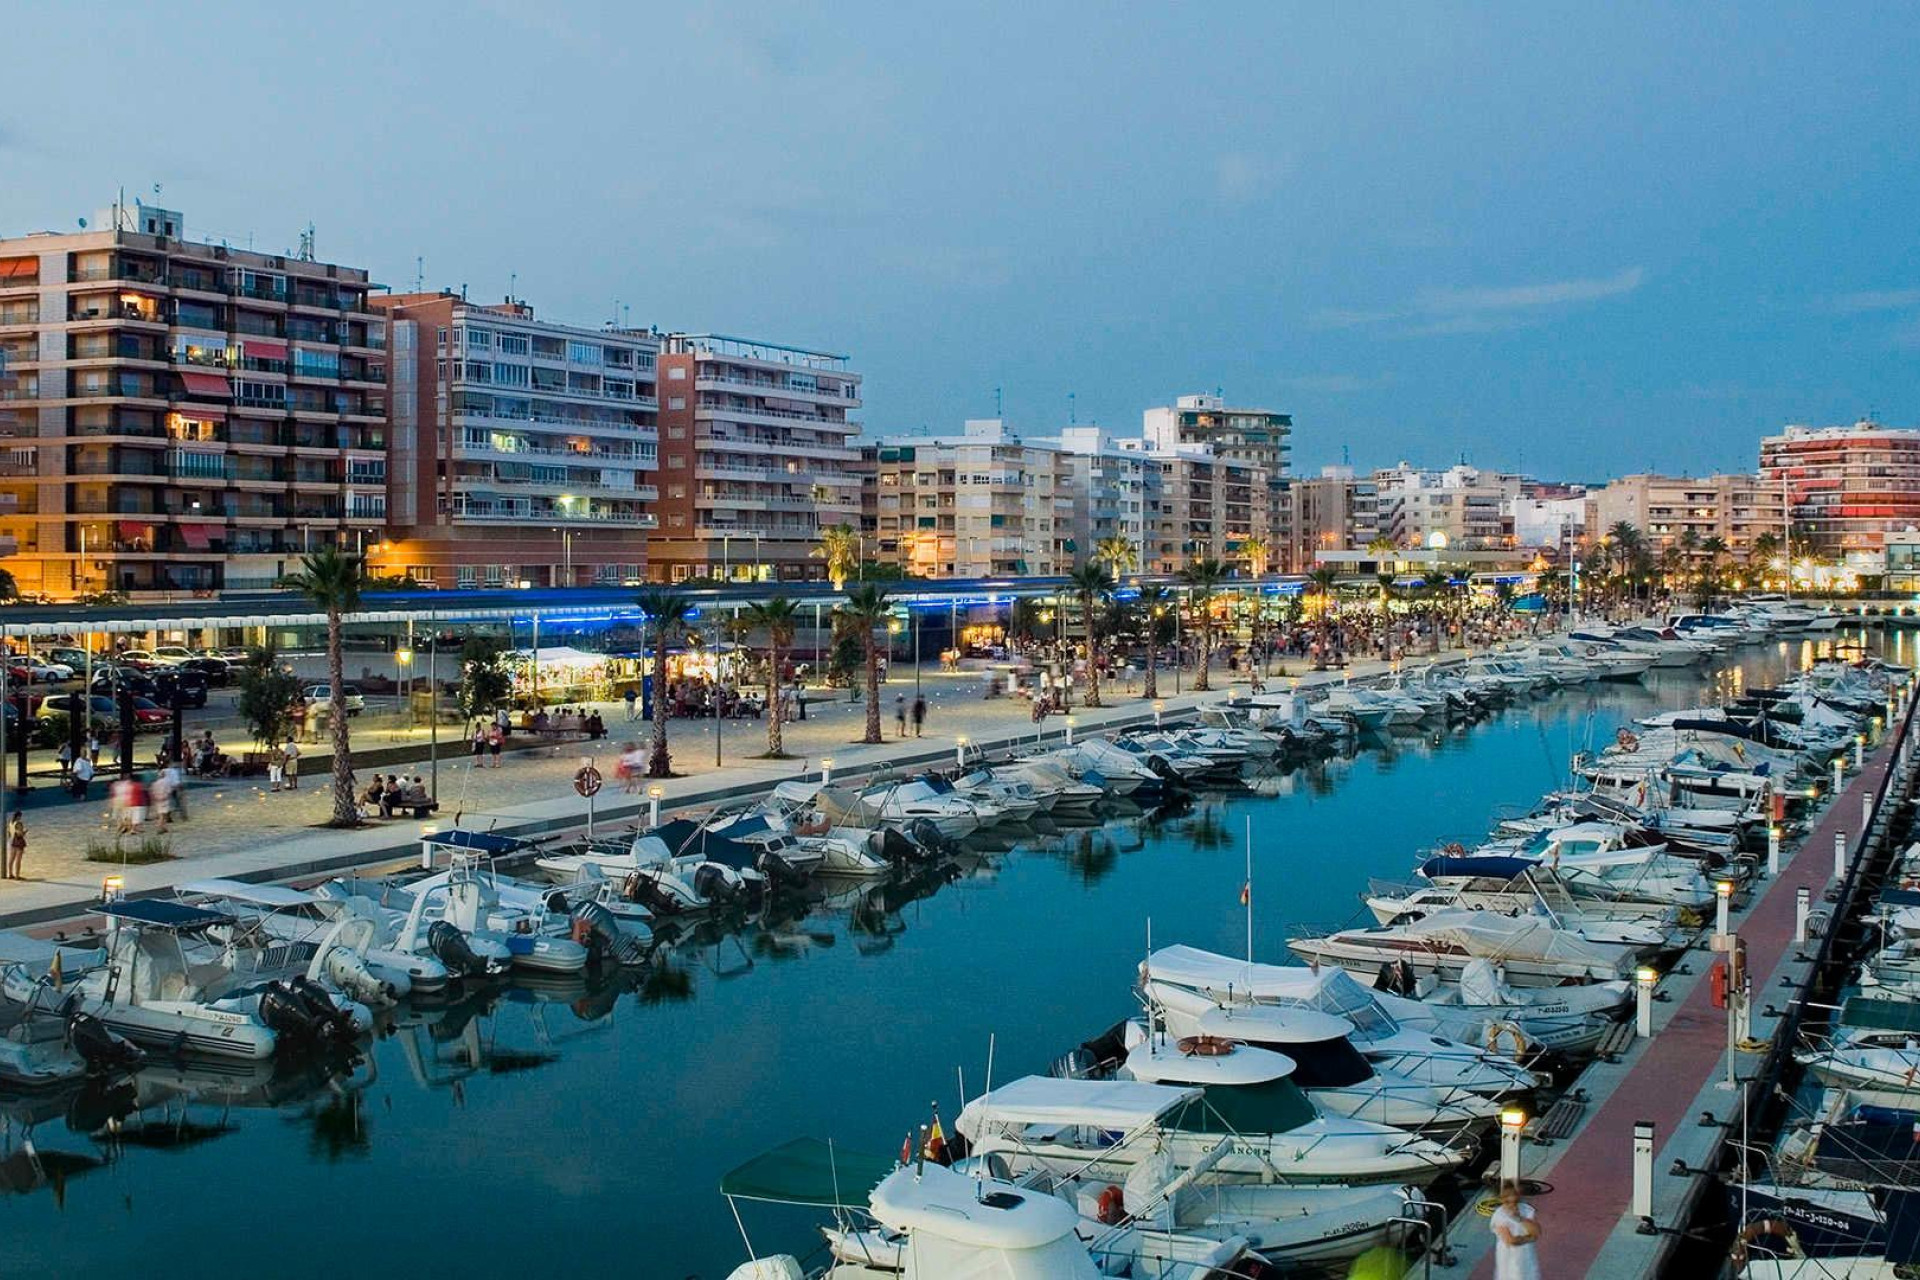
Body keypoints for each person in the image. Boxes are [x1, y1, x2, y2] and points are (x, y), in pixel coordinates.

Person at [1489, 1180, 1542, 1280]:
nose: (1512, 1205)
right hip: (1509, 1258)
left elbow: (1537, 1231)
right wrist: (1530, 1238)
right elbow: (1511, 1241)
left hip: (1527, 1256)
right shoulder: (1499, 1216)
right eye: (1508, 1202)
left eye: (1515, 1201)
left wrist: (1520, 1218)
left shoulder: (1526, 1209)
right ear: (1502, 1199)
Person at [5, 812, 22, 880]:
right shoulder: (18, 823)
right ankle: (17, 876)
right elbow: (19, 834)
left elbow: (9, 833)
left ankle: (10, 874)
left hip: (11, 841)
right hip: (18, 842)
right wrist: (25, 831)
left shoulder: (10, 823)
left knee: (11, 859)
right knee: (18, 859)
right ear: (18, 816)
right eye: (20, 816)